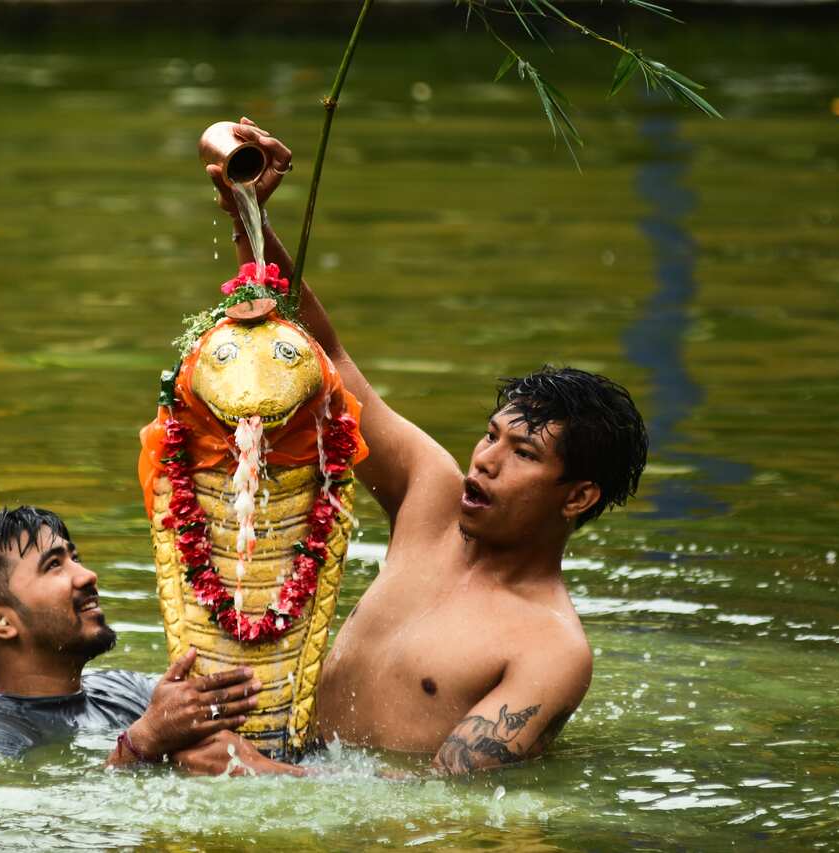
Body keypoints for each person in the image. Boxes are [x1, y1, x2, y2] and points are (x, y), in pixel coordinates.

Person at [206, 119, 649, 775]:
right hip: (288, 764)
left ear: (579, 494)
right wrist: (251, 213)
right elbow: (325, 359)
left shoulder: (548, 648)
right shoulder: (430, 496)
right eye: (491, 434)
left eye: (523, 453)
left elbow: (440, 799)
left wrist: (248, 771)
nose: (485, 459)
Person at [0, 505, 302, 775]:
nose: (87, 575)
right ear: (0, 622)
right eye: (54, 565)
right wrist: (141, 745)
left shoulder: (129, 688)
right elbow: (39, 817)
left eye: (74, 558)